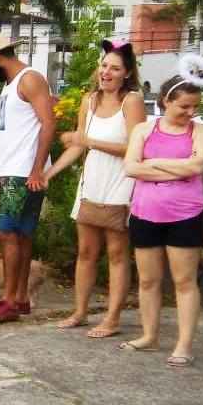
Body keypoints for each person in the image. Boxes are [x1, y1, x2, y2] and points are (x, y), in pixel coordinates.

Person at [45, 41, 145, 337]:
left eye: (115, 68)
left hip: (120, 184)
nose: (106, 72)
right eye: (104, 66)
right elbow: (78, 145)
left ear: (127, 73)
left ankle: (112, 319)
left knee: (116, 253)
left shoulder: (132, 101)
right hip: (91, 184)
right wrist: (49, 172)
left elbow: (133, 147)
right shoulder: (89, 100)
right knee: (86, 252)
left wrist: (88, 142)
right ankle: (80, 312)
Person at [121, 75, 203, 368]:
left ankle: (184, 343)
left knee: (184, 281)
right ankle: (150, 335)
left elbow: (198, 164)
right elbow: (130, 167)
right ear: (166, 101)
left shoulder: (200, 130)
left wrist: (153, 164)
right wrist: (179, 170)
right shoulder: (144, 129)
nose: (190, 113)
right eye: (184, 106)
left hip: (186, 215)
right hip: (145, 212)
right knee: (148, 280)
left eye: (194, 107)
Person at [0, 33, 56, 323]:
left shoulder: (29, 79)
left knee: (9, 233)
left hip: (24, 172)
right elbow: (6, 135)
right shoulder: (11, 86)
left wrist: (37, 169)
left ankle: (10, 299)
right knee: (19, 234)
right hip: (11, 170)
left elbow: (49, 123)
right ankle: (19, 298)